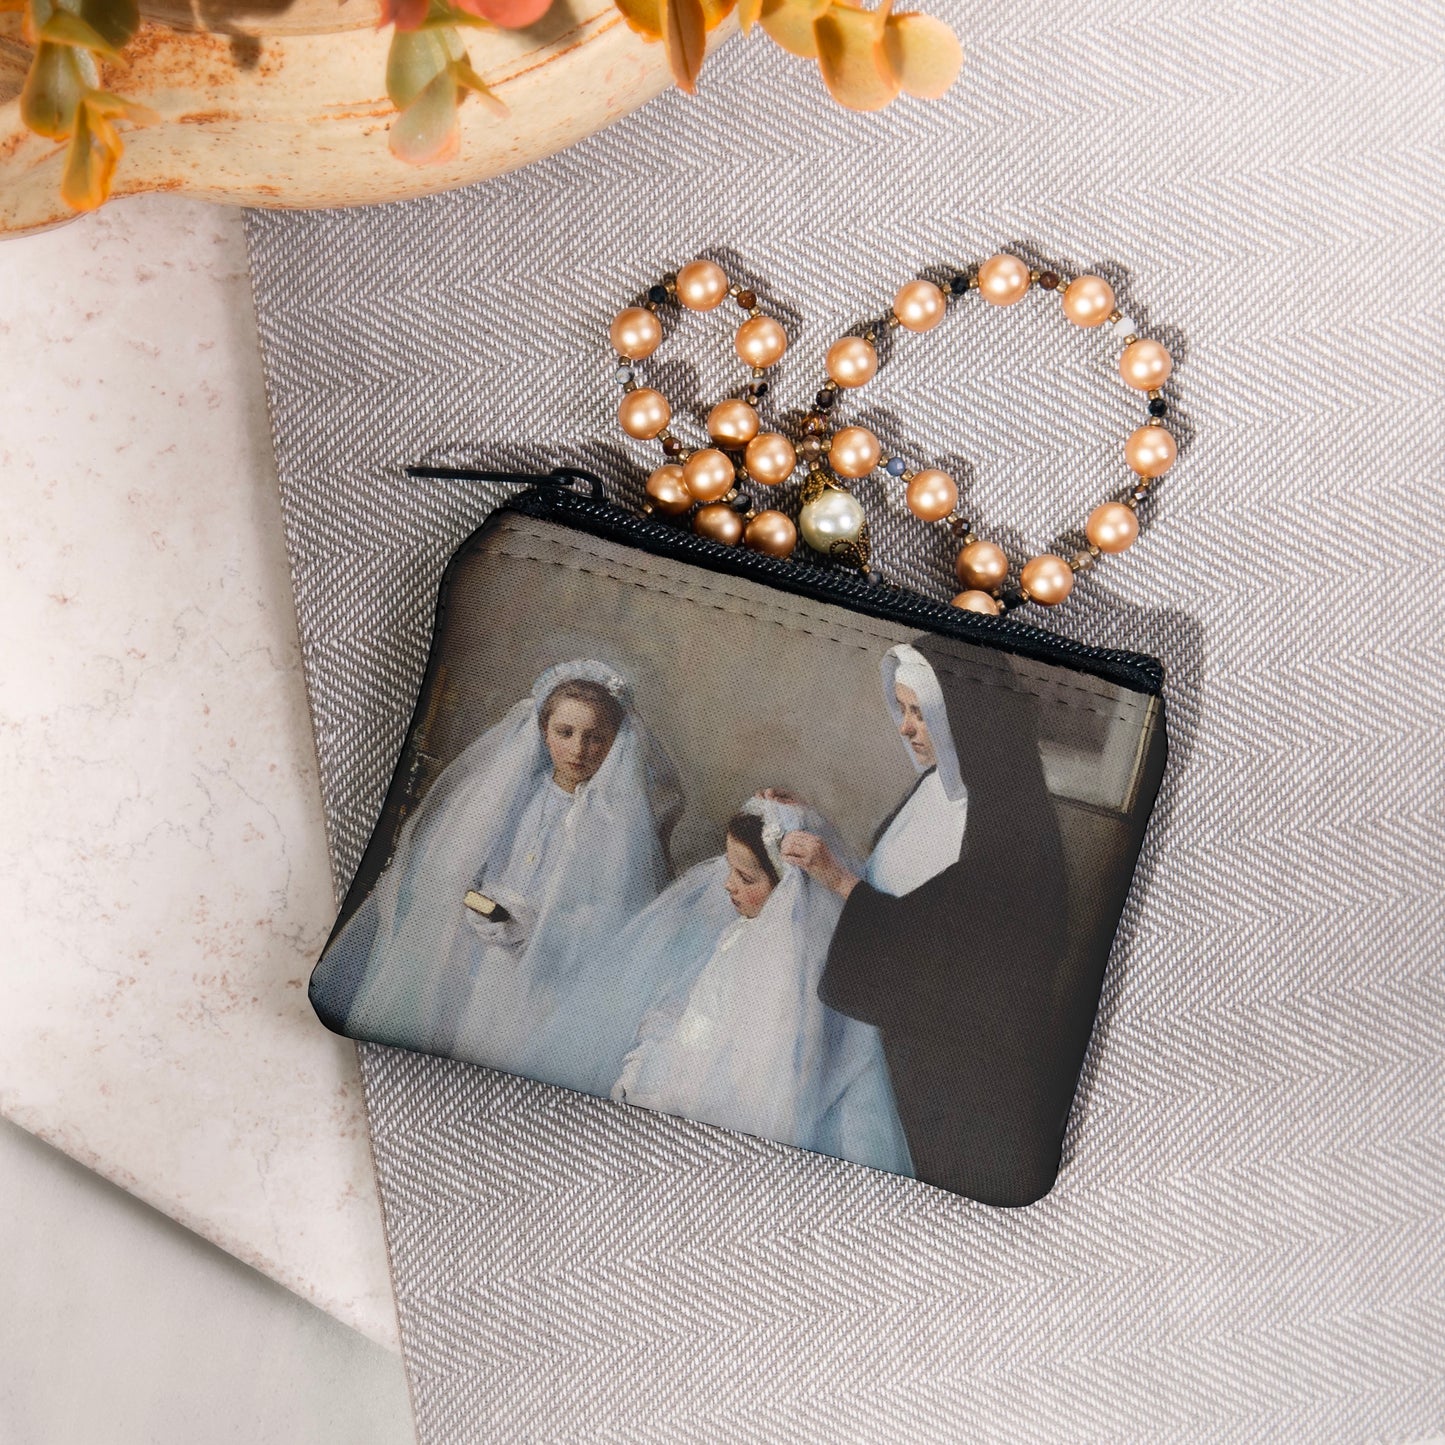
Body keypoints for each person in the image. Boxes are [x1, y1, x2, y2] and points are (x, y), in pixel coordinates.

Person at [784, 640, 1069, 1204]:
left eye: (919, 712)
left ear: (963, 716)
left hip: (953, 1065)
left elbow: (943, 955)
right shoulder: (937, 786)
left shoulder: (1008, 825)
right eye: (902, 709)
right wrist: (810, 824)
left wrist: (837, 880)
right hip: (894, 1032)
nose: (905, 727)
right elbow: (886, 886)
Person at [333, 660, 682, 1079]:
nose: (578, 749)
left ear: (614, 743)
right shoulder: (510, 798)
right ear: (543, 731)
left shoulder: (615, 825)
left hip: (545, 971)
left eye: (595, 738)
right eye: (565, 732)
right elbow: (456, 875)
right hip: (470, 950)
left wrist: (541, 927)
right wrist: (483, 908)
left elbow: (617, 918)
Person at [610, 797, 914, 1176]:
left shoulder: (791, 961)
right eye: (730, 870)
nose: (728, 885)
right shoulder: (744, 930)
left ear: (788, 888)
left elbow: (771, 1073)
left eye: (746, 878)